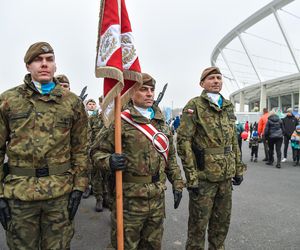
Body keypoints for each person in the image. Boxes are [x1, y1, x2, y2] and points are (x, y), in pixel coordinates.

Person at [0, 42, 88, 249]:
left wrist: (79, 186)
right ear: (28, 66)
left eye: (49, 60)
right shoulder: (8, 100)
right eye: (38, 60)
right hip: (20, 194)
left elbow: (81, 148)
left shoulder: (72, 103)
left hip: (59, 194)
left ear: (55, 66)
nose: (44, 64)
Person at [91, 72, 184, 250]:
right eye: (143, 89)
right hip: (128, 200)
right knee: (125, 245)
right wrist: (109, 161)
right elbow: (96, 152)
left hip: (156, 199)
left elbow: (170, 157)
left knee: (152, 246)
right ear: (132, 92)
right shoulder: (119, 121)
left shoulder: (161, 123)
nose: (149, 93)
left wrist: (178, 183)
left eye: (151, 90)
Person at [177, 66, 246, 250]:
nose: (216, 81)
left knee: (221, 225)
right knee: (198, 227)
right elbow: (184, 142)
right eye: (211, 78)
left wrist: (238, 169)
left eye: (219, 78)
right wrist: (191, 176)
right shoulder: (195, 106)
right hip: (204, 178)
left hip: (225, 177)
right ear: (202, 83)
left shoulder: (228, 106)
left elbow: (233, 141)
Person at [89, 96, 110, 212]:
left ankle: (107, 196)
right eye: (103, 102)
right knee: (96, 176)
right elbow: (88, 134)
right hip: (95, 152)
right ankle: (99, 198)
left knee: (108, 177)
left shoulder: (114, 118)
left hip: (108, 153)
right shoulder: (93, 118)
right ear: (100, 104)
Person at [83, 98, 98, 199]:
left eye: (93, 104)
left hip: (95, 145)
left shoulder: (99, 117)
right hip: (85, 145)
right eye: (90, 104)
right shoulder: (83, 116)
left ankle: (95, 188)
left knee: (95, 168)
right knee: (86, 167)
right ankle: (87, 187)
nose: (91, 106)